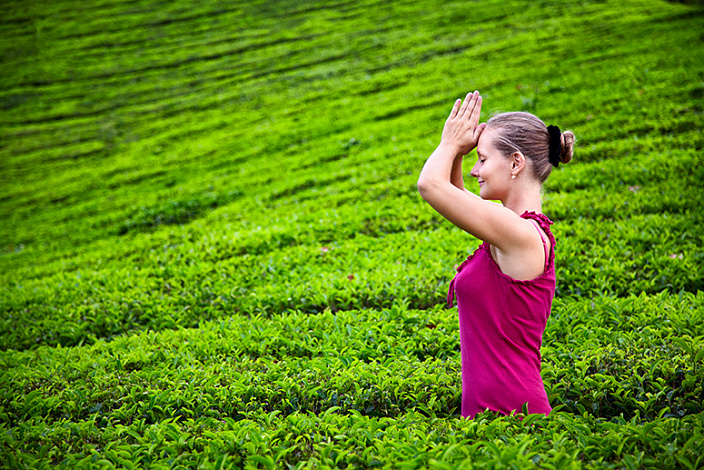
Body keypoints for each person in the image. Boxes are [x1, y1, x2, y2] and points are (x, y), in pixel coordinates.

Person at [417, 90, 574, 419]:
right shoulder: (513, 231)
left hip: (511, 412)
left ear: (516, 162)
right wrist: (459, 152)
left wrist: (449, 144)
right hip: (492, 413)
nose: (476, 170)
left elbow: (430, 185)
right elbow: (455, 193)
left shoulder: (520, 235)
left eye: (483, 159)